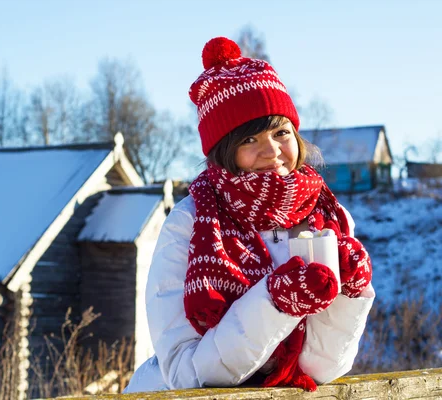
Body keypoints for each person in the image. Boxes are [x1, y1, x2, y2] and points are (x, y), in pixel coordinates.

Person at [124, 36, 375, 393]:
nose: (271, 150)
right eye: (249, 140)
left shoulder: (330, 219)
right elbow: (185, 373)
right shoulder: (191, 222)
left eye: (281, 132)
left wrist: (350, 295)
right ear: (223, 151)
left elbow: (321, 369)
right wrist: (275, 303)